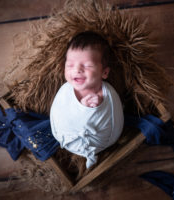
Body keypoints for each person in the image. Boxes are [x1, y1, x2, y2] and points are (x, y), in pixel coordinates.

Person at [50, 31, 124, 168]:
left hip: (102, 141)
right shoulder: (66, 90)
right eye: (70, 65)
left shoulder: (106, 95)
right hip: (65, 138)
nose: (77, 69)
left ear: (104, 72)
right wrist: (81, 107)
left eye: (88, 65)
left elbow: (104, 118)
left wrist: (93, 109)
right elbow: (61, 110)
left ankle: (90, 154)